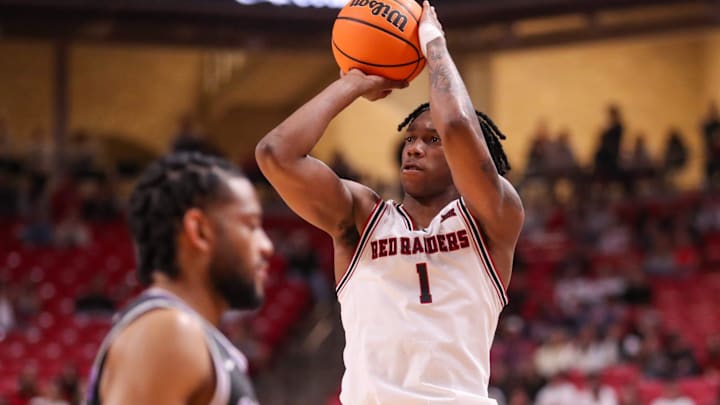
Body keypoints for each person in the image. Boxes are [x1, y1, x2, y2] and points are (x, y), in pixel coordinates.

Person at [255, 2, 524, 403]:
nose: (414, 148)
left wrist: (433, 44)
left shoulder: (492, 216)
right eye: (410, 138)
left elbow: (455, 124)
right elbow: (276, 153)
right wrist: (354, 81)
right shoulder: (364, 216)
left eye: (430, 141)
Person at [86, 152, 273, 405]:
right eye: (250, 225)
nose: (266, 246)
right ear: (199, 230)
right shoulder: (169, 332)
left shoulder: (186, 335)